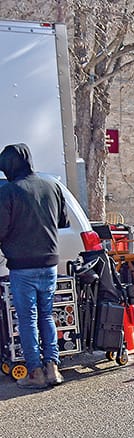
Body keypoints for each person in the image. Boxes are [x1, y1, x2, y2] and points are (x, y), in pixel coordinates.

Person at [0, 143, 69, 389]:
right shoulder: (52, 185)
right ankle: (53, 369)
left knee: (28, 319)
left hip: (22, 267)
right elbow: (63, 220)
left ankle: (35, 373)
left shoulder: (8, 192)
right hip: (49, 262)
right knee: (46, 315)